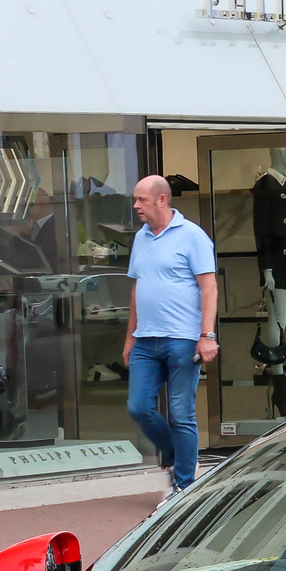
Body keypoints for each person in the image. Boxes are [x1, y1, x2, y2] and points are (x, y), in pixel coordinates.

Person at [123, 174, 218, 492]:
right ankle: (179, 455)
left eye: (141, 199)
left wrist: (208, 335)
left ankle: (183, 486)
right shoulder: (141, 237)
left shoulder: (193, 236)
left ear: (162, 199)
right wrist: (130, 336)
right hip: (146, 340)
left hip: (182, 340)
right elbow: (138, 287)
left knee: (181, 414)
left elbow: (209, 287)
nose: (136, 205)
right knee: (138, 407)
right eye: (135, 199)